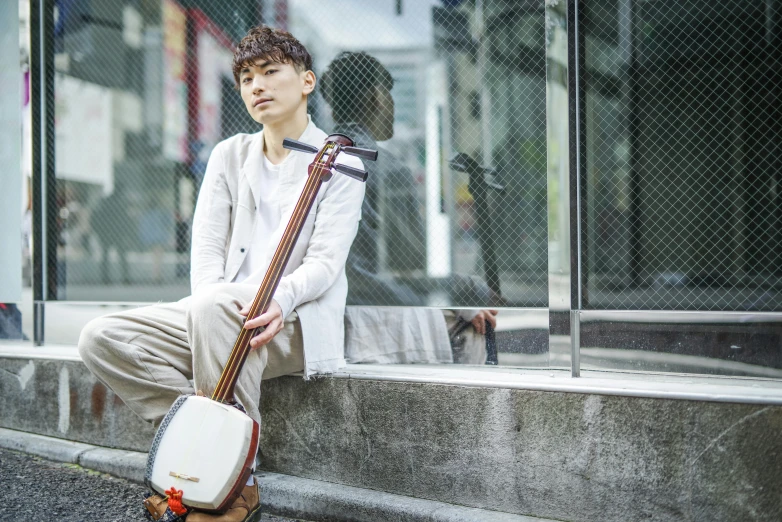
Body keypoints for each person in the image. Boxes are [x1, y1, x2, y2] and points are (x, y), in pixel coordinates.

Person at [78, 26, 364, 522]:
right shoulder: (230, 155)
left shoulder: (342, 163)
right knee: (100, 337)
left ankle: (237, 480)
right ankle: (214, 441)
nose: (257, 85)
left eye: (272, 71)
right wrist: (210, 314)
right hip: (218, 313)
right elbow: (207, 253)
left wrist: (281, 299)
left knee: (215, 309)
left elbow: (324, 263)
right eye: (247, 77)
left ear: (307, 82)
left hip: (290, 320)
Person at [320, 52, 497, 365]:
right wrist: (471, 292)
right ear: (375, 96)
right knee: (476, 329)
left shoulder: (318, 160)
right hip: (376, 323)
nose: (392, 105)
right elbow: (412, 270)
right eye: (388, 95)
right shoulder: (385, 169)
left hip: (328, 317)